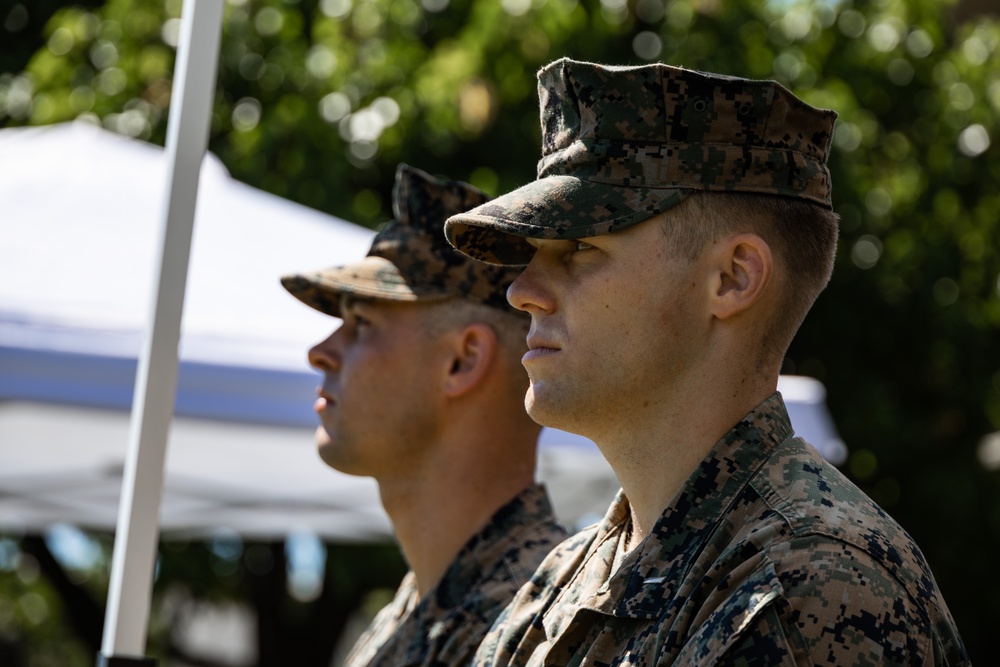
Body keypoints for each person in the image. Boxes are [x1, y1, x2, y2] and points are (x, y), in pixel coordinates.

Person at [445, 59, 969, 665]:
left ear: (731, 278)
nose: (521, 290)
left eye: (580, 248)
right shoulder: (560, 583)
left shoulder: (806, 581)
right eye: (536, 252)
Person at [281, 164, 567, 667]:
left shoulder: (548, 626)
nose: (320, 351)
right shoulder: (408, 614)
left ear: (463, 361)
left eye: (363, 323)